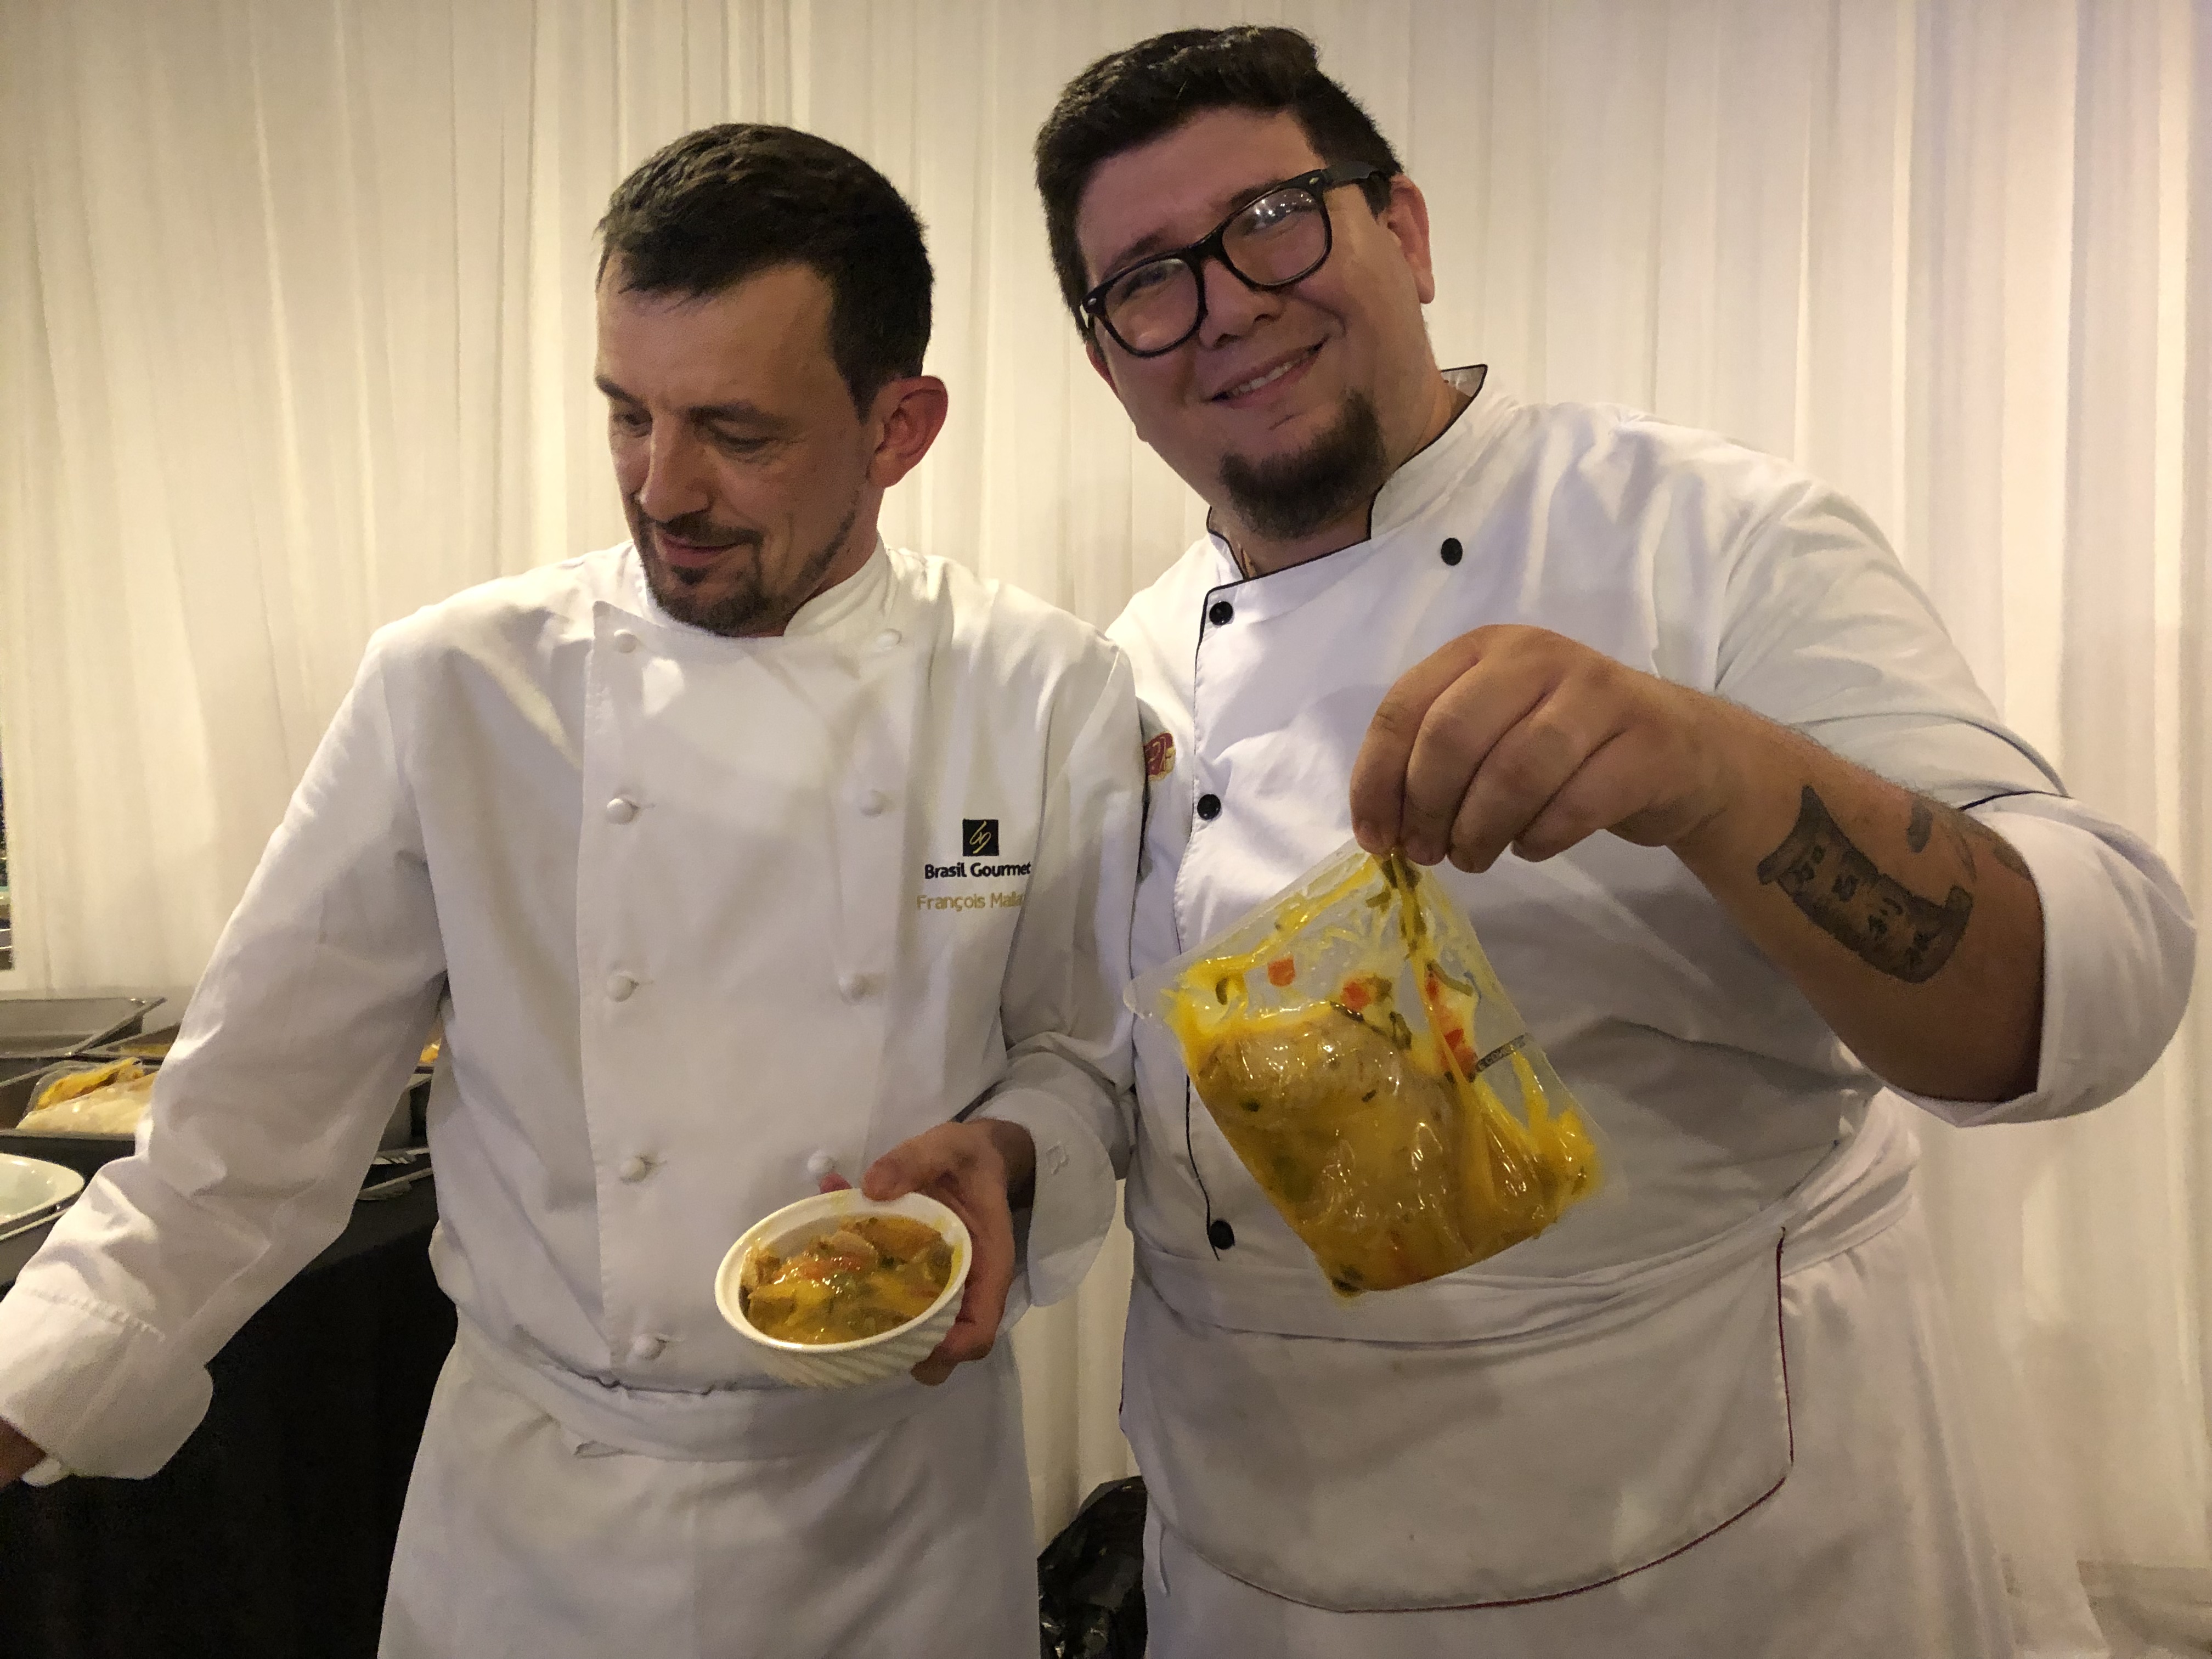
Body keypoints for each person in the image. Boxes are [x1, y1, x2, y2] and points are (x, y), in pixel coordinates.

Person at [1031, 26, 2195, 1658]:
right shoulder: (1124, 670)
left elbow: (2099, 985)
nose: (1222, 302)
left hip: (1706, 1555)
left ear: (1405, 231)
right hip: (1253, 1564)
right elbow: (1115, 1079)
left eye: (1272, 221)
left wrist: (1715, 772)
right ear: (1108, 366)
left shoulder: (1700, 536)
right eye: (1147, 282)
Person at [0, 123, 1138, 1658]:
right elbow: (242, 1134)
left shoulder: (1041, 688)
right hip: (540, 1526)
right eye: (627, 414)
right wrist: (25, 1392)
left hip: (899, 1514)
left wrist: (1009, 1152)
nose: (664, 487)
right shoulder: (459, 687)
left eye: (736, 432)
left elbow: (1082, 1059)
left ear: (899, 428)